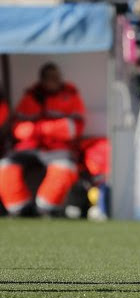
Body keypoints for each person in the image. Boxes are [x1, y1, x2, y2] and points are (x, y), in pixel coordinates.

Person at [0, 63, 84, 216]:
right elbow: (18, 128)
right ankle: (19, 208)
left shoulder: (70, 96)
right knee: (5, 166)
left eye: (56, 77)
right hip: (28, 147)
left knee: (64, 168)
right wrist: (49, 128)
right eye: (49, 77)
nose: (53, 80)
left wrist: (39, 128)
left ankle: (46, 207)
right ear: (42, 80)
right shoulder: (30, 96)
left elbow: (73, 128)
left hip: (58, 148)